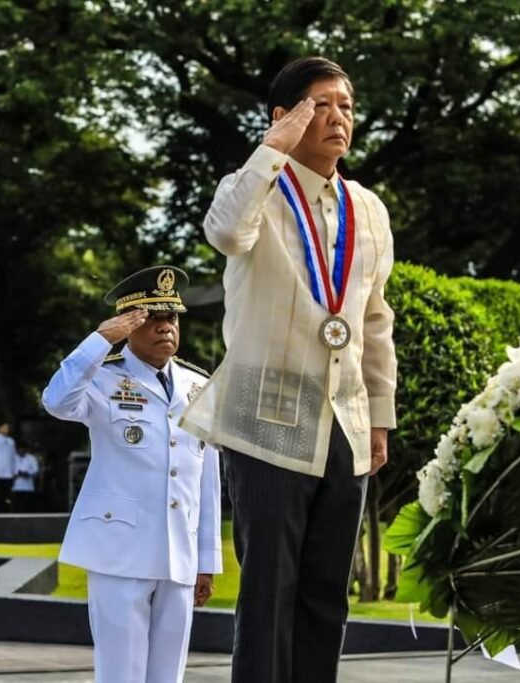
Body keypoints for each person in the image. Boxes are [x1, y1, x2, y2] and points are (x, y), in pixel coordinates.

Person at [180, 56, 397, 683]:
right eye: (321, 104)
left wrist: (378, 417)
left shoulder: (368, 208)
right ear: (285, 115)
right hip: (265, 421)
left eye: (347, 106)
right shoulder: (252, 189)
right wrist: (269, 149)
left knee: (328, 593)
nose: (338, 118)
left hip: (345, 423)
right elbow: (224, 232)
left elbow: (374, 319)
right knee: (269, 593)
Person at [42, 265, 223, 683]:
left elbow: (207, 479)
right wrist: (100, 340)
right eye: (153, 318)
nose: (165, 328)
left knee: (168, 675)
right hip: (119, 552)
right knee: (121, 673)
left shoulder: (198, 386)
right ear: (130, 324)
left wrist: (206, 561)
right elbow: (56, 400)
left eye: (172, 318)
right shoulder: (102, 376)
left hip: (179, 552)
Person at [11, 445, 40, 512]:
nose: (21, 451)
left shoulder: (31, 458)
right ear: (17, 450)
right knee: (16, 508)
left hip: (28, 488)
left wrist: (28, 473)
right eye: (20, 450)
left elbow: (36, 471)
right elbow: (9, 471)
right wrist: (16, 473)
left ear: (26, 450)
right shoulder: (13, 458)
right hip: (16, 488)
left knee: (28, 508)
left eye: (23, 449)